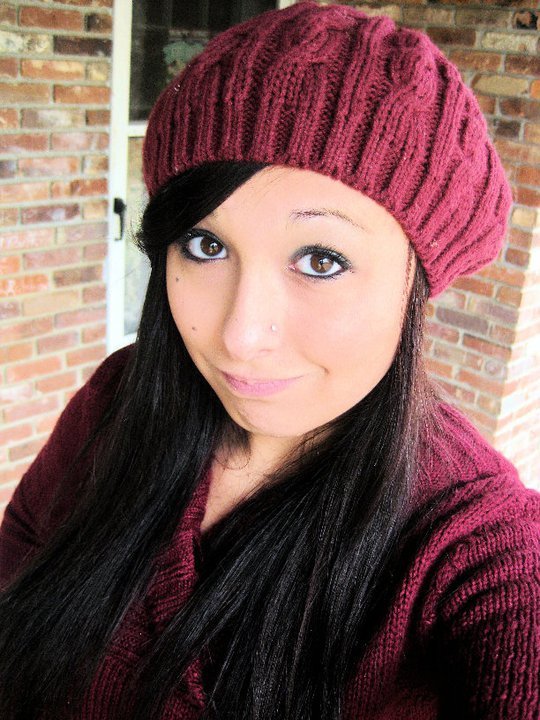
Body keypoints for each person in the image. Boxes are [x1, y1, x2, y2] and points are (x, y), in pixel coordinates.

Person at [0, 3, 538, 719]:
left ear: (415, 284)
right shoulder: (121, 398)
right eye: (206, 246)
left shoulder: (474, 548)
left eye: (321, 260)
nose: (239, 335)